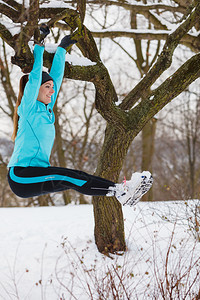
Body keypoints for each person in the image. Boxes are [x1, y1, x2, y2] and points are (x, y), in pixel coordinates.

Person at [7, 25, 153, 206]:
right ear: (34, 88)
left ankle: (121, 191)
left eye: (52, 87)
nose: (52, 91)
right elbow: (36, 76)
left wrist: (61, 49)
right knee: (70, 177)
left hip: (37, 172)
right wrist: (39, 45)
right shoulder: (28, 108)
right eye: (47, 87)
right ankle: (120, 192)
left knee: (77, 176)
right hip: (21, 175)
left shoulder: (46, 109)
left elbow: (57, 77)